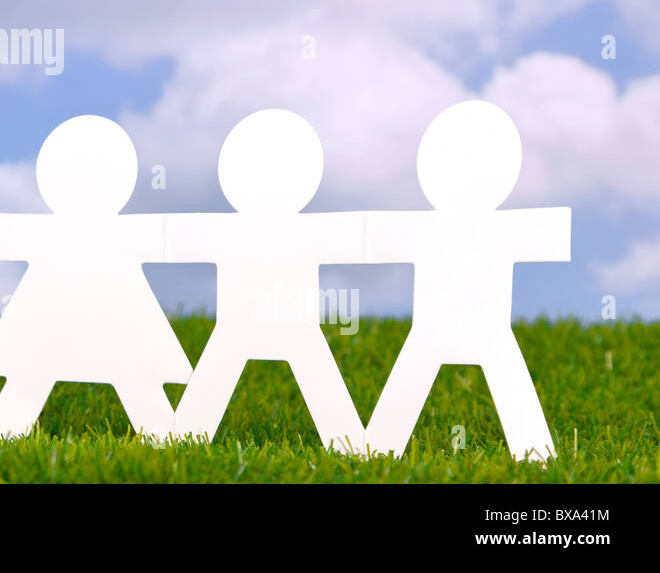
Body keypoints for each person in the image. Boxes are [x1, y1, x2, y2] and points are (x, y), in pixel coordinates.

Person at [363, 100, 569, 462]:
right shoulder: (445, 227)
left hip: (481, 328)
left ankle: (534, 452)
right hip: (435, 328)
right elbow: (370, 235)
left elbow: (551, 232)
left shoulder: (495, 226)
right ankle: (378, 444)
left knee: (502, 373)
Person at [0, 115, 190, 440]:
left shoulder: (105, 232)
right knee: (37, 373)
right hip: (74, 326)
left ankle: (166, 434)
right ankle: (165, 434)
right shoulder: (107, 232)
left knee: (128, 375)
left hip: (98, 327)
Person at [166, 109, 366, 454]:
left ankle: (351, 443)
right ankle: (351, 443)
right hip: (246, 327)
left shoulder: (293, 230)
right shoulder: (294, 230)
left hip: (279, 326)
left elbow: (365, 235)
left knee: (319, 385)